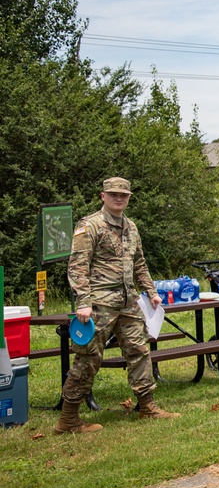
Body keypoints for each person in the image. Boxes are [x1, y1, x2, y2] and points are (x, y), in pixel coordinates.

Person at [55, 177, 179, 434]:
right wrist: (83, 302)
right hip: (98, 304)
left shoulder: (131, 227)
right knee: (88, 357)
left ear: (129, 197)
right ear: (103, 196)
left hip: (127, 301)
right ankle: (68, 419)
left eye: (123, 195)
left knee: (139, 351)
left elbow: (139, 263)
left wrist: (151, 291)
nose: (119, 198)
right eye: (113, 194)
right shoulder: (90, 226)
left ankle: (147, 407)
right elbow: (78, 266)